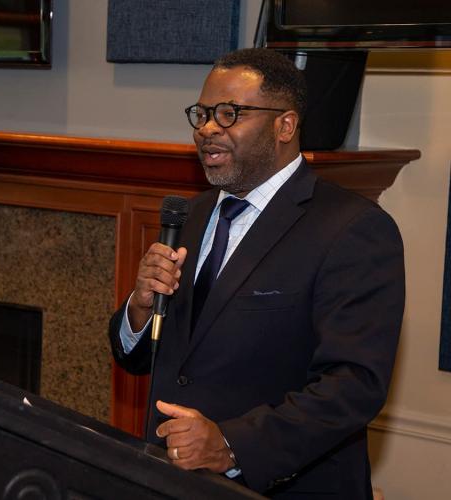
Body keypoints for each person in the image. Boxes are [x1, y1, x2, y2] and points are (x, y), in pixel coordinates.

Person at [108, 48, 405, 499]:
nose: (207, 129)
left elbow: (352, 385)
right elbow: (147, 358)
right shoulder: (190, 215)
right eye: (203, 114)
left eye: (229, 114)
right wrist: (140, 308)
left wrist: (230, 445)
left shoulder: (352, 228)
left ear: (285, 126)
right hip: (175, 482)